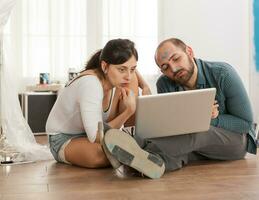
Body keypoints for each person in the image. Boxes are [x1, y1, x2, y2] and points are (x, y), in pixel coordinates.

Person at [102, 37, 257, 179]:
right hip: (194, 146)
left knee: (198, 132)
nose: (174, 69)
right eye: (165, 67)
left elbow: (244, 123)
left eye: (176, 59)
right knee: (178, 152)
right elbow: (172, 130)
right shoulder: (164, 83)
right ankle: (147, 165)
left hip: (235, 142)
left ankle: (136, 147)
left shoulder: (223, 73)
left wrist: (209, 119)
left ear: (189, 52)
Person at [46, 38, 151, 168]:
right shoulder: (90, 84)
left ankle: (133, 140)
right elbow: (96, 136)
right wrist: (129, 111)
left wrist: (145, 86)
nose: (128, 76)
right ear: (104, 66)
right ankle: (133, 151)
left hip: (98, 132)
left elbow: (129, 69)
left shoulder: (118, 78)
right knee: (99, 155)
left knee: (131, 81)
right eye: (122, 69)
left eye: (132, 69)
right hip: (66, 138)